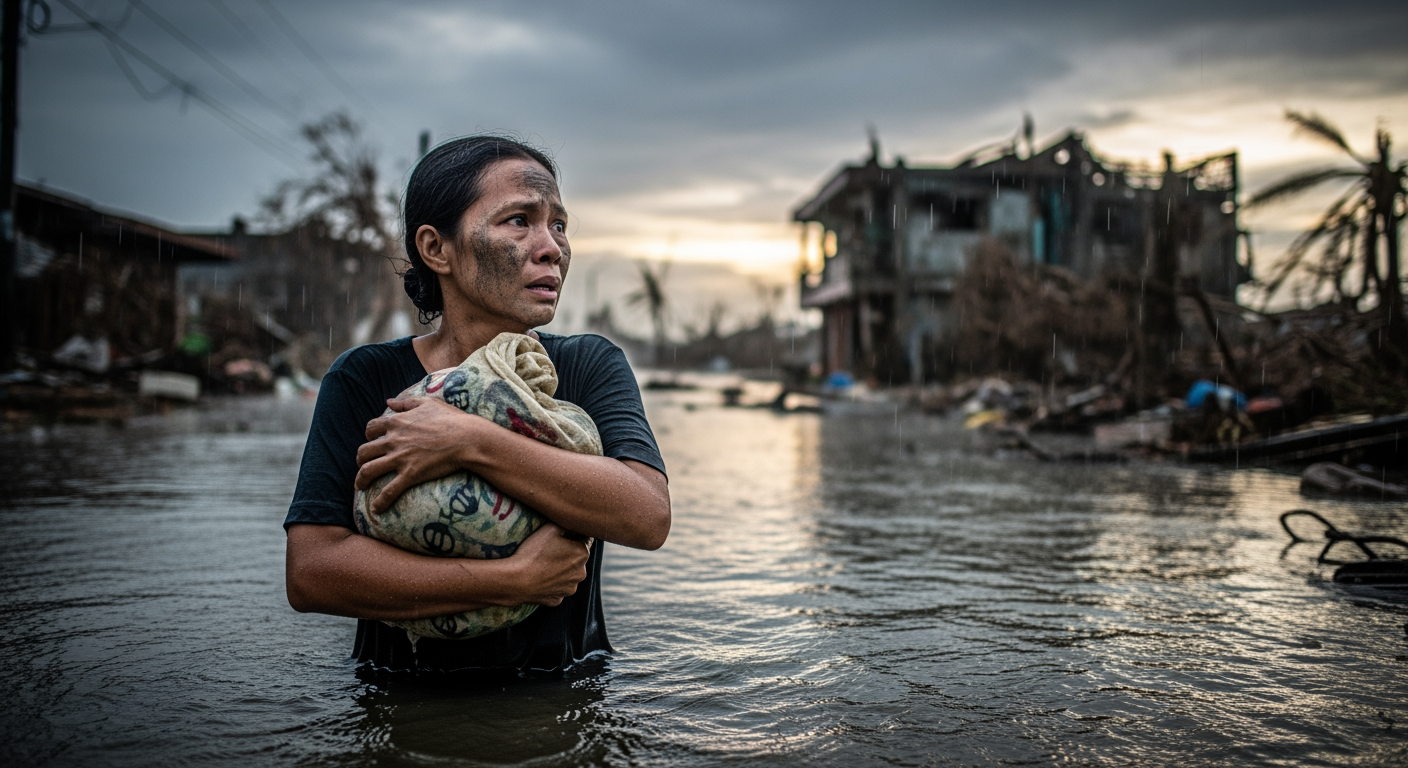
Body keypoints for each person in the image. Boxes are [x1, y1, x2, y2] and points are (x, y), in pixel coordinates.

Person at [283, 136, 671, 675]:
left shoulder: (586, 367)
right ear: (436, 249)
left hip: (562, 703)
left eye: (558, 224)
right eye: (518, 220)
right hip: (397, 701)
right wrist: (511, 581)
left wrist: (470, 441)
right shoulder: (366, 379)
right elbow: (312, 572)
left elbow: (647, 516)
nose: (552, 247)